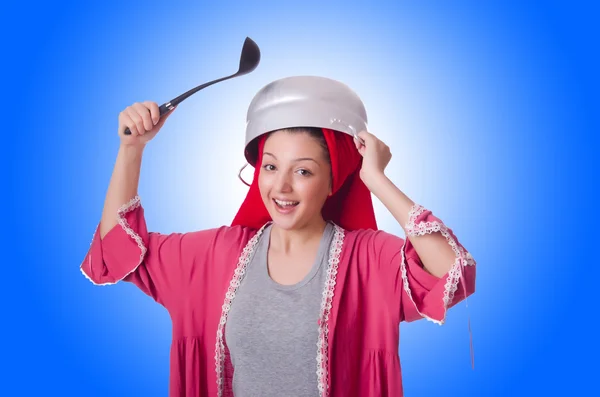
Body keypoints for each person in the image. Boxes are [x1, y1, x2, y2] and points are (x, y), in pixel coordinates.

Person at [80, 76, 476, 397]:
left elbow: (453, 273)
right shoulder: (215, 256)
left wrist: (375, 179)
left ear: (333, 180)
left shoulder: (367, 260)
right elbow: (116, 255)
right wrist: (131, 149)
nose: (281, 187)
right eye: (270, 167)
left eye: (303, 171)